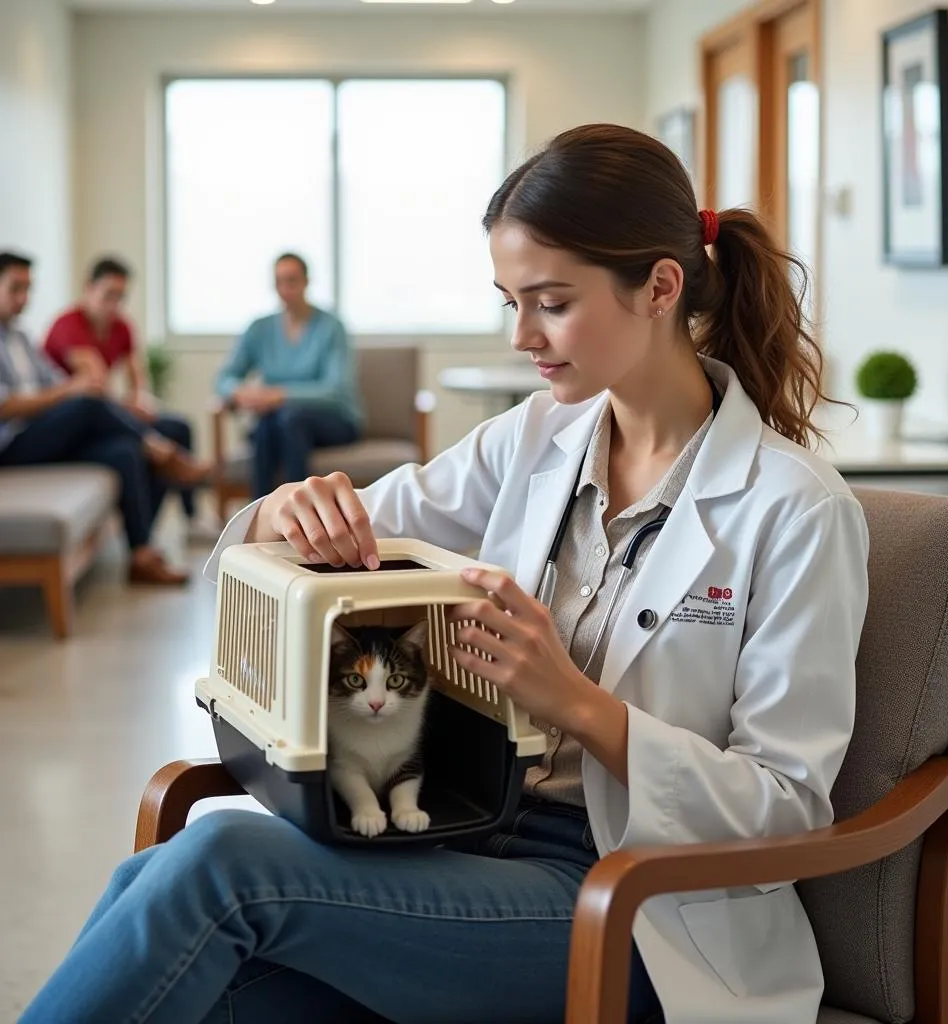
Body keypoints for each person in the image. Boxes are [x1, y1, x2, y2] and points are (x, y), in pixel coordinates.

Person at [21, 124, 870, 1024]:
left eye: (550, 302)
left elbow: (786, 812)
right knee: (180, 941)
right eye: (509, 300)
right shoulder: (535, 438)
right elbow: (319, 533)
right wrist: (283, 512)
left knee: (218, 863)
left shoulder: (797, 508)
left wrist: (577, 702)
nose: (522, 337)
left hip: (638, 913)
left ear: (660, 286)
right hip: (473, 844)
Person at [0, 252, 206, 586]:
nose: (24, 299)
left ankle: (140, 554)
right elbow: (7, 406)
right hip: (12, 445)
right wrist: (72, 391)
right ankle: (160, 449)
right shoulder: (67, 325)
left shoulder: (21, 338)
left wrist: (133, 402)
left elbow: (59, 383)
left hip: (47, 433)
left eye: (28, 289)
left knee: (124, 451)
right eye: (15, 289)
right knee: (87, 403)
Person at [43, 256, 204, 522]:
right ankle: (158, 450)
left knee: (177, 427)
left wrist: (139, 401)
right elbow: (95, 383)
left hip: (107, 415)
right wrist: (125, 407)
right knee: (134, 446)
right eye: (108, 295)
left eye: (120, 296)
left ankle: (187, 519)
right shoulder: (68, 325)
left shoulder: (121, 326)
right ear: (88, 288)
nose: (114, 304)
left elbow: (136, 377)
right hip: (76, 426)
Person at [215, 253, 364, 499]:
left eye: (292, 281)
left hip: (335, 421)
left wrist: (279, 396)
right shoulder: (259, 329)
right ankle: (266, 518)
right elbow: (224, 378)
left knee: (286, 418)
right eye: (279, 282)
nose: (285, 289)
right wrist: (241, 393)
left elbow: (336, 390)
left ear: (306, 282)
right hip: (280, 424)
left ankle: (294, 513)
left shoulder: (331, 327)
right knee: (269, 424)